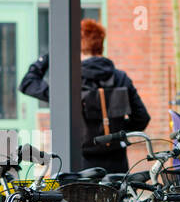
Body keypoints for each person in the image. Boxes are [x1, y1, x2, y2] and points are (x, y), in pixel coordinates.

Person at [18, 19, 150, 173]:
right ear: (101, 45)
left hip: (80, 163)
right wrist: (117, 133)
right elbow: (142, 117)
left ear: (76, 46)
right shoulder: (121, 78)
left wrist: (48, 56)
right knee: (117, 197)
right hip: (117, 164)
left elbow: (27, 83)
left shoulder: (70, 81)